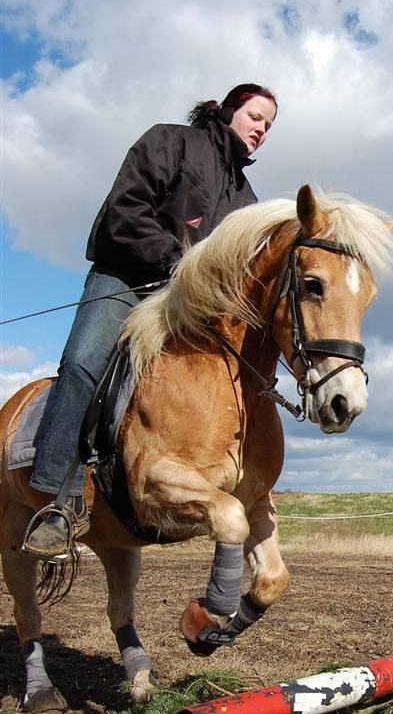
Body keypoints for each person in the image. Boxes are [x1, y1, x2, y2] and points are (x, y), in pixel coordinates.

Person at [23, 83, 278, 558]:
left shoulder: (248, 199)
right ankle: (54, 500)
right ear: (227, 111)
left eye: (269, 125)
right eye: (256, 116)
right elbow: (125, 210)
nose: (262, 129)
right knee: (83, 363)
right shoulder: (170, 141)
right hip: (125, 277)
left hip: (187, 304)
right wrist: (175, 262)